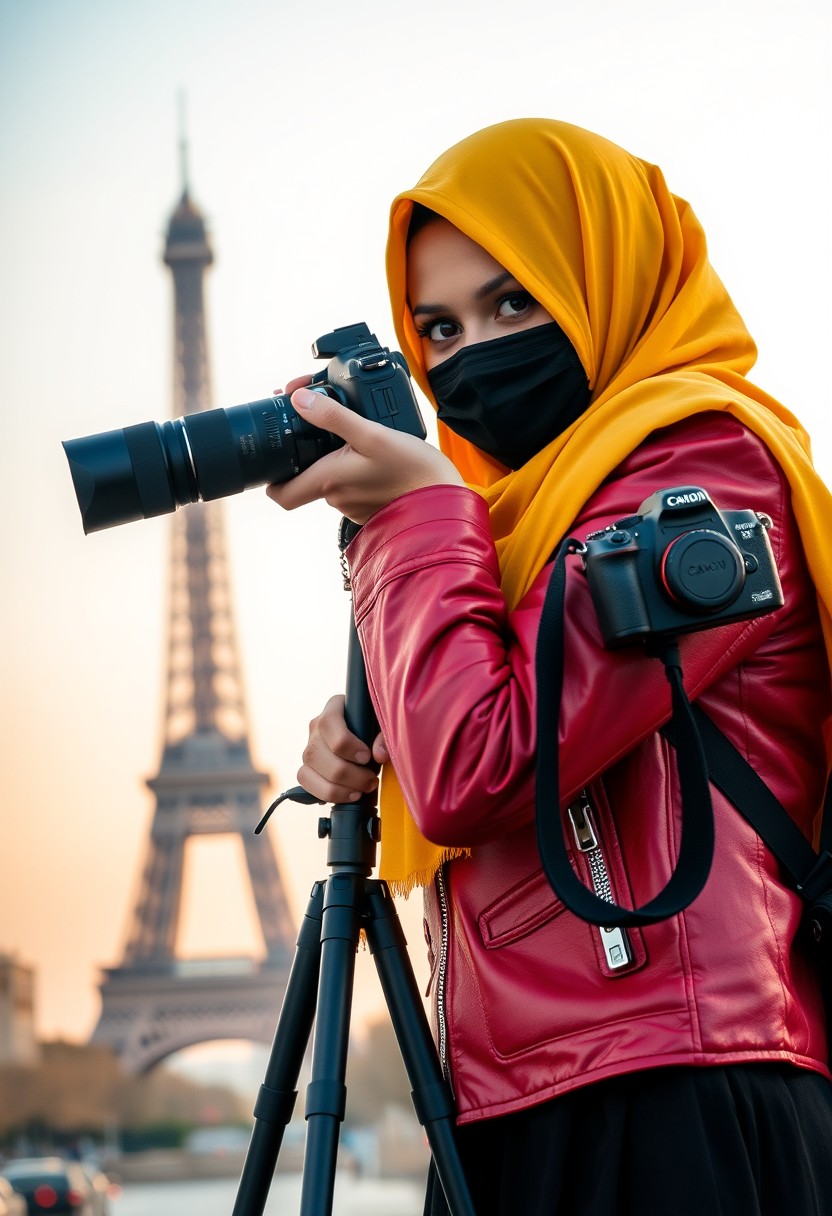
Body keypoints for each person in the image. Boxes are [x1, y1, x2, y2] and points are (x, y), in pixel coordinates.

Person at [267, 119, 832, 1215]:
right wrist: (378, 736)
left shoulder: (705, 470)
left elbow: (483, 766)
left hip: (677, 1091)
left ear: (610, 277)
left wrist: (416, 520)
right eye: (437, 326)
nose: (469, 353)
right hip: (508, 1096)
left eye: (513, 303)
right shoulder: (506, 524)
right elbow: (478, 732)